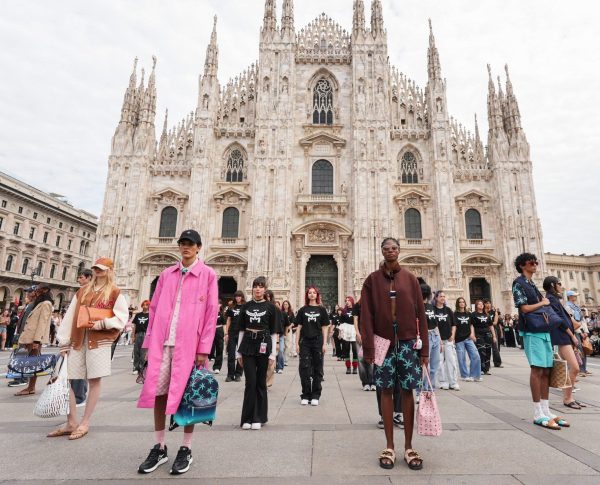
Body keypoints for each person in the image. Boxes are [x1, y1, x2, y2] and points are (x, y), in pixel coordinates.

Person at [136, 230, 218, 475]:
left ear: (198, 247)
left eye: (190, 244)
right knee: (158, 393)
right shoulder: (166, 274)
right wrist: (149, 343)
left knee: (189, 396)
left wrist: (204, 348)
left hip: (190, 346)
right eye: (182, 244)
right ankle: (159, 446)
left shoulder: (208, 275)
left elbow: (211, 313)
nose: (185, 248)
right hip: (163, 343)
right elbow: (155, 310)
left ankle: (186, 448)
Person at [360, 237, 429, 471]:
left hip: (408, 343)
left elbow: (421, 314)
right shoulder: (372, 280)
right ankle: (389, 445)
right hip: (383, 343)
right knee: (385, 391)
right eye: (386, 248)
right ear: (381, 251)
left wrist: (425, 350)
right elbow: (366, 316)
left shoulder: (410, 279)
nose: (390, 251)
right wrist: (368, 346)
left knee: (409, 391)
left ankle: (409, 447)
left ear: (399, 251)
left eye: (394, 248)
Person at [49, 258, 128, 440]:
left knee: (94, 381)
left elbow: (121, 318)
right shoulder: (82, 291)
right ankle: (71, 421)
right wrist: (64, 341)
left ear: (109, 270)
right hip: (78, 339)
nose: (98, 271)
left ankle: (84, 422)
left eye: (101, 269)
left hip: (99, 342)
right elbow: (70, 316)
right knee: (68, 378)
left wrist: (102, 324)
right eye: (95, 269)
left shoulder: (115, 293)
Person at [512, 252, 564, 430]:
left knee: (547, 370)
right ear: (522, 265)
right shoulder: (518, 284)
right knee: (537, 369)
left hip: (543, 330)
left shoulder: (531, 284)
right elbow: (524, 308)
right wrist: (543, 304)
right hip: (532, 330)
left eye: (536, 262)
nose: (535, 265)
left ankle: (546, 410)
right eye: (531, 262)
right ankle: (537, 413)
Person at [236, 276, 278, 430]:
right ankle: (247, 417)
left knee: (261, 382)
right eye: (255, 286)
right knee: (250, 382)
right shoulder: (245, 307)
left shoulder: (271, 308)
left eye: (261, 286)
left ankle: (258, 416)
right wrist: (238, 353)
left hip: (263, 343)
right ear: (252, 288)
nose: (258, 289)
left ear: (265, 289)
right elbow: (240, 330)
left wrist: (273, 354)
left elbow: (273, 332)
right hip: (247, 344)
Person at [543, 276, 581, 411]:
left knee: (568, 368)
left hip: (564, 336)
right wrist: (572, 336)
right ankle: (567, 398)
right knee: (575, 367)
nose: (561, 285)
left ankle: (569, 397)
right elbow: (558, 320)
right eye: (559, 283)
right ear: (553, 285)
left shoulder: (554, 298)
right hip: (562, 336)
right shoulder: (551, 299)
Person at [14, 284, 54, 396]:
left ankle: (31, 387)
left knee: (34, 363)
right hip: (30, 337)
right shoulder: (40, 303)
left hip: (34, 339)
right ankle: (30, 386)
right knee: (31, 362)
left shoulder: (46, 304)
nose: (35, 292)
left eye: (37, 290)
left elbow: (42, 323)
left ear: (44, 291)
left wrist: (36, 341)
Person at [296, 286, 330, 405]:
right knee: (304, 368)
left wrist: (325, 343)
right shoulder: (302, 310)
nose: (311, 294)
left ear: (317, 295)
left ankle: (315, 394)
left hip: (317, 341)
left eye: (313, 293)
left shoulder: (322, 310)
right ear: (307, 295)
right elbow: (299, 328)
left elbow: (325, 327)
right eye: (309, 293)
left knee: (318, 368)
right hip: (305, 341)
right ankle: (305, 394)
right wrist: (296, 344)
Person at [433, 291, 459, 391]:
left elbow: (454, 324)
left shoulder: (448, 310)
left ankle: (453, 382)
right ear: (436, 298)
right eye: (441, 296)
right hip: (437, 340)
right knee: (439, 362)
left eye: (444, 296)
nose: (443, 298)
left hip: (448, 339)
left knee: (451, 361)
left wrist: (453, 335)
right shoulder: (433, 310)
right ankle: (442, 382)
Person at [418, 281, 441, 395]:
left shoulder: (431, 306)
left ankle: (430, 388)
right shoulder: (417, 307)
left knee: (435, 365)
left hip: (434, 335)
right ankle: (421, 390)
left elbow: (435, 324)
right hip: (425, 336)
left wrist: (440, 341)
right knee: (424, 365)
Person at [453, 297, 481, 382]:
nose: (462, 303)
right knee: (461, 358)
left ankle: (475, 375)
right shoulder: (454, 314)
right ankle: (465, 375)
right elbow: (453, 326)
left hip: (468, 338)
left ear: (465, 303)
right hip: (459, 339)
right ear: (458, 304)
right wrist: (453, 338)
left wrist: (472, 334)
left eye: (463, 302)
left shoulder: (469, 314)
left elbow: (471, 325)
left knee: (475, 355)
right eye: (460, 302)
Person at [565, 291, 592, 377]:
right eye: (574, 296)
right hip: (575, 330)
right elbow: (571, 321)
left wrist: (586, 331)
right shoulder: (567, 306)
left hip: (581, 330)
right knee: (578, 349)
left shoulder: (576, 307)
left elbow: (582, 319)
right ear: (570, 296)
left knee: (584, 349)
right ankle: (580, 369)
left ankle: (584, 368)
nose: (575, 297)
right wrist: (580, 331)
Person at [224, 291, 245, 382]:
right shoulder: (231, 307)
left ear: (242, 297)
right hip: (232, 332)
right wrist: (226, 333)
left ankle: (238, 374)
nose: (238, 298)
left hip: (242, 332)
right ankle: (230, 374)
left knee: (241, 354)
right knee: (231, 354)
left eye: (239, 296)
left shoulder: (245, 307)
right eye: (236, 296)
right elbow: (228, 320)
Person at [471, 300, 496, 375]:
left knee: (488, 351)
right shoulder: (473, 314)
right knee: (481, 351)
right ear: (476, 306)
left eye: (482, 304)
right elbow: (471, 325)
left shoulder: (487, 315)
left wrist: (494, 336)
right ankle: (481, 368)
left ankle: (486, 369)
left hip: (488, 334)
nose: (481, 305)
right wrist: (473, 334)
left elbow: (491, 326)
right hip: (478, 334)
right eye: (479, 304)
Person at [132, 300, 150, 375]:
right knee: (136, 351)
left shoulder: (151, 315)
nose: (145, 306)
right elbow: (134, 326)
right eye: (144, 304)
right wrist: (133, 336)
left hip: (146, 334)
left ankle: (142, 368)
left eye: (147, 305)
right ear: (142, 305)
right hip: (138, 334)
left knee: (143, 352)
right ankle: (136, 368)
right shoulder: (138, 315)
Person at [341, 296, 358, 374]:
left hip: (354, 330)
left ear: (352, 301)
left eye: (348, 300)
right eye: (346, 300)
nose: (347, 302)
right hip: (346, 330)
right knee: (346, 350)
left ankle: (355, 367)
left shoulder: (356, 309)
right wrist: (340, 332)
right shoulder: (344, 311)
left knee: (355, 350)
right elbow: (341, 322)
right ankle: (348, 367)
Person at [484, 300, 503, 368]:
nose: (488, 304)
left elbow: (495, 322)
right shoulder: (483, 313)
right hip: (485, 330)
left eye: (489, 303)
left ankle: (497, 362)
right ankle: (486, 363)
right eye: (486, 303)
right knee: (486, 347)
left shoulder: (494, 312)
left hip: (493, 330)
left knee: (495, 347)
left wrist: (489, 324)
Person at [210, 303, 225, 374]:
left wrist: (225, 334)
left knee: (219, 348)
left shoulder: (222, 314)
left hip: (219, 330)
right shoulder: (210, 313)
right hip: (210, 331)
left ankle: (217, 367)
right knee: (209, 347)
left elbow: (224, 323)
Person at [282, 300, 295, 365]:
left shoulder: (291, 313)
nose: (285, 305)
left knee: (288, 345)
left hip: (289, 331)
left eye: (286, 304)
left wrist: (289, 327)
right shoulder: (281, 312)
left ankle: (285, 359)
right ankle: (282, 358)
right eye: (284, 304)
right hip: (282, 330)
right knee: (282, 345)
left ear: (289, 305)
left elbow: (293, 322)